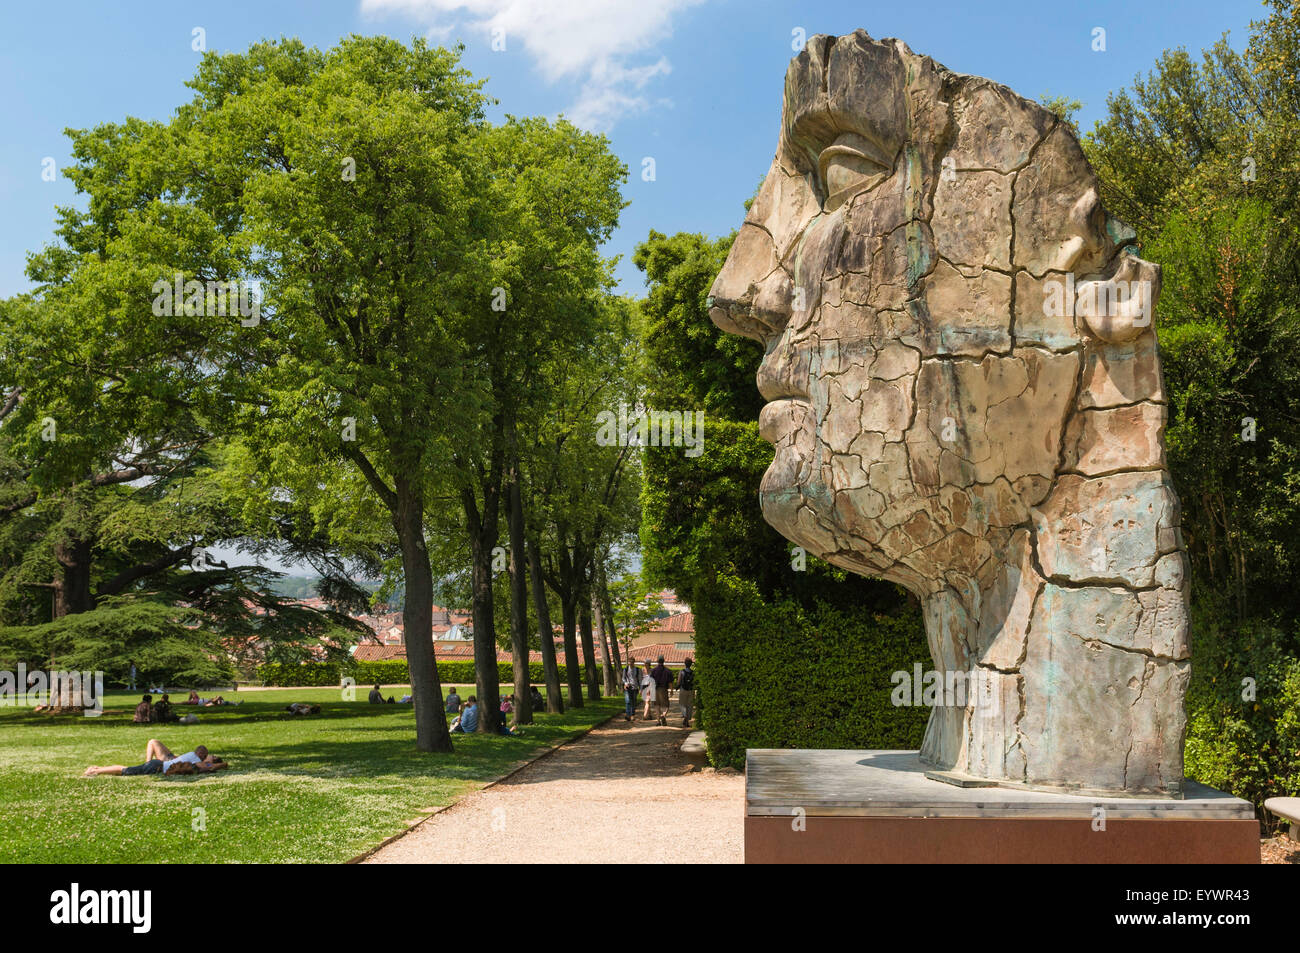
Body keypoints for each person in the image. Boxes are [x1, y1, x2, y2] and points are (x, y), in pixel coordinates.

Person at [83, 740, 229, 777]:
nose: (211, 755)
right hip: (155, 766)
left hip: (157, 765)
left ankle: (98, 769)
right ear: (204, 756)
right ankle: (96, 771)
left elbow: (209, 766)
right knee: (125, 770)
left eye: (213, 756)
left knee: (126, 769)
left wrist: (218, 764)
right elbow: (209, 767)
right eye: (211, 755)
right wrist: (223, 764)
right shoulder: (196, 760)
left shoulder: (194, 758)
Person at [650, 656, 673, 727]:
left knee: (657, 705)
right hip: (663, 689)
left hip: (655, 689)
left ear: (657, 661)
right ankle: (663, 715)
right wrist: (671, 690)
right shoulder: (668, 671)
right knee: (666, 705)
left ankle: (658, 721)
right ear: (664, 661)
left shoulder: (653, 670)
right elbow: (670, 682)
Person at [677, 659, 696, 727]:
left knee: (682, 704)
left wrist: (677, 687)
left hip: (683, 689)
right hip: (691, 690)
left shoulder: (681, 671)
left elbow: (679, 681)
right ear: (691, 664)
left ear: (685, 664)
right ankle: (687, 720)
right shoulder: (693, 672)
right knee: (689, 705)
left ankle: (685, 715)